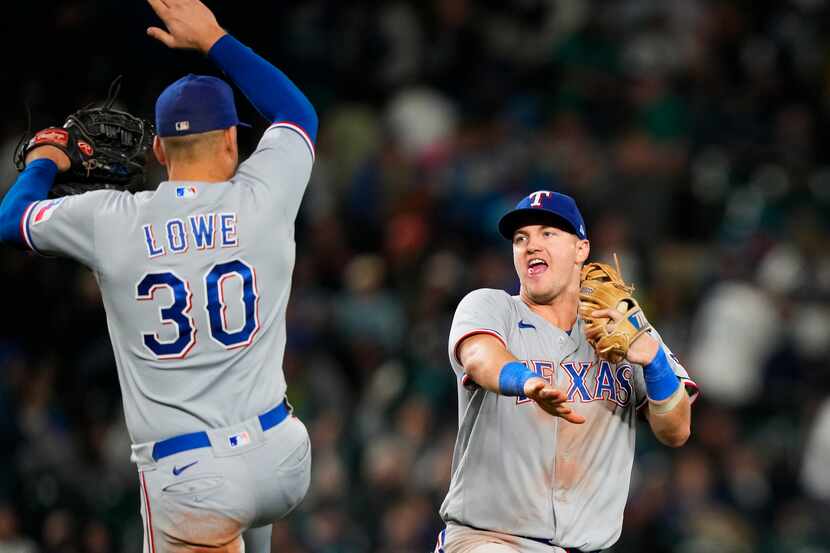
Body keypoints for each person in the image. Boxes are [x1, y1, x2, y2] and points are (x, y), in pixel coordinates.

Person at [0, 0, 317, 551]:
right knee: (248, 503)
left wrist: (47, 159)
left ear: (158, 151)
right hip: (281, 458)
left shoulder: (111, 219)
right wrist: (215, 37)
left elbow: (11, 220)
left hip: (192, 476)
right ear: (231, 141)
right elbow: (297, 115)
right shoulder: (266, 195)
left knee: (213, 509)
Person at [434, 191, 698, 553]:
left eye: (547, 233)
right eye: (521, 238)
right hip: (488, 540)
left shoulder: (622, 328)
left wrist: (654, 363)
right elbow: (480, 356)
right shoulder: (492, 307)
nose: (530, 245)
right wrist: (523, 380)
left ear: (581, 249)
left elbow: (677, 430)